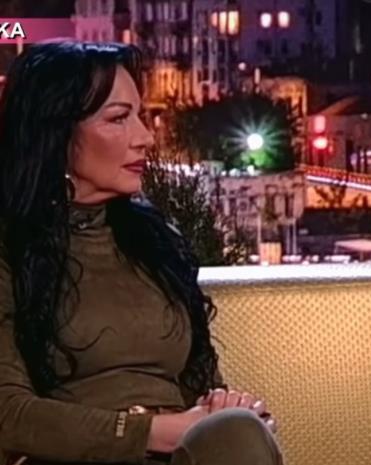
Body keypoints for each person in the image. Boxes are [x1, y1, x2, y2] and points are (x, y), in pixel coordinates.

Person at [0, 41, 282, 465]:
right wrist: (152, 431)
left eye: (140, 116)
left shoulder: (155, 243)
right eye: (119, 118)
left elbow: (202, 386)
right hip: (69, 456)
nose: (145, 137)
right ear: (55, 132)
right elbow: (9, 415)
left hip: (178, 454)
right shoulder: (10, 247)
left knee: (240, 434)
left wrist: (226, 410)